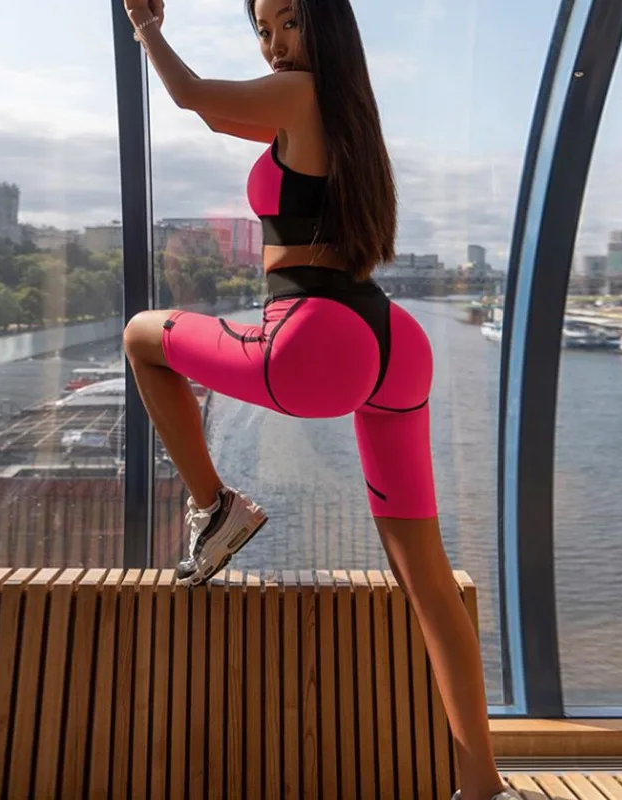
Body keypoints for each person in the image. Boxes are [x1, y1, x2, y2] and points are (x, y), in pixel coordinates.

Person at [122, 1, 520, 798]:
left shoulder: (300, 95)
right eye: (263, 29)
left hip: (313, 335)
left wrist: (147, 28)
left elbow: (194, 97)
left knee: (141, 336)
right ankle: (484, 785)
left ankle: (215, 508)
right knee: (426, 575)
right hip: (392, 340)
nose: (274, 44)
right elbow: (220, 117)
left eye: (290, 23)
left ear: (325, 25)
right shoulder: (346, 114)